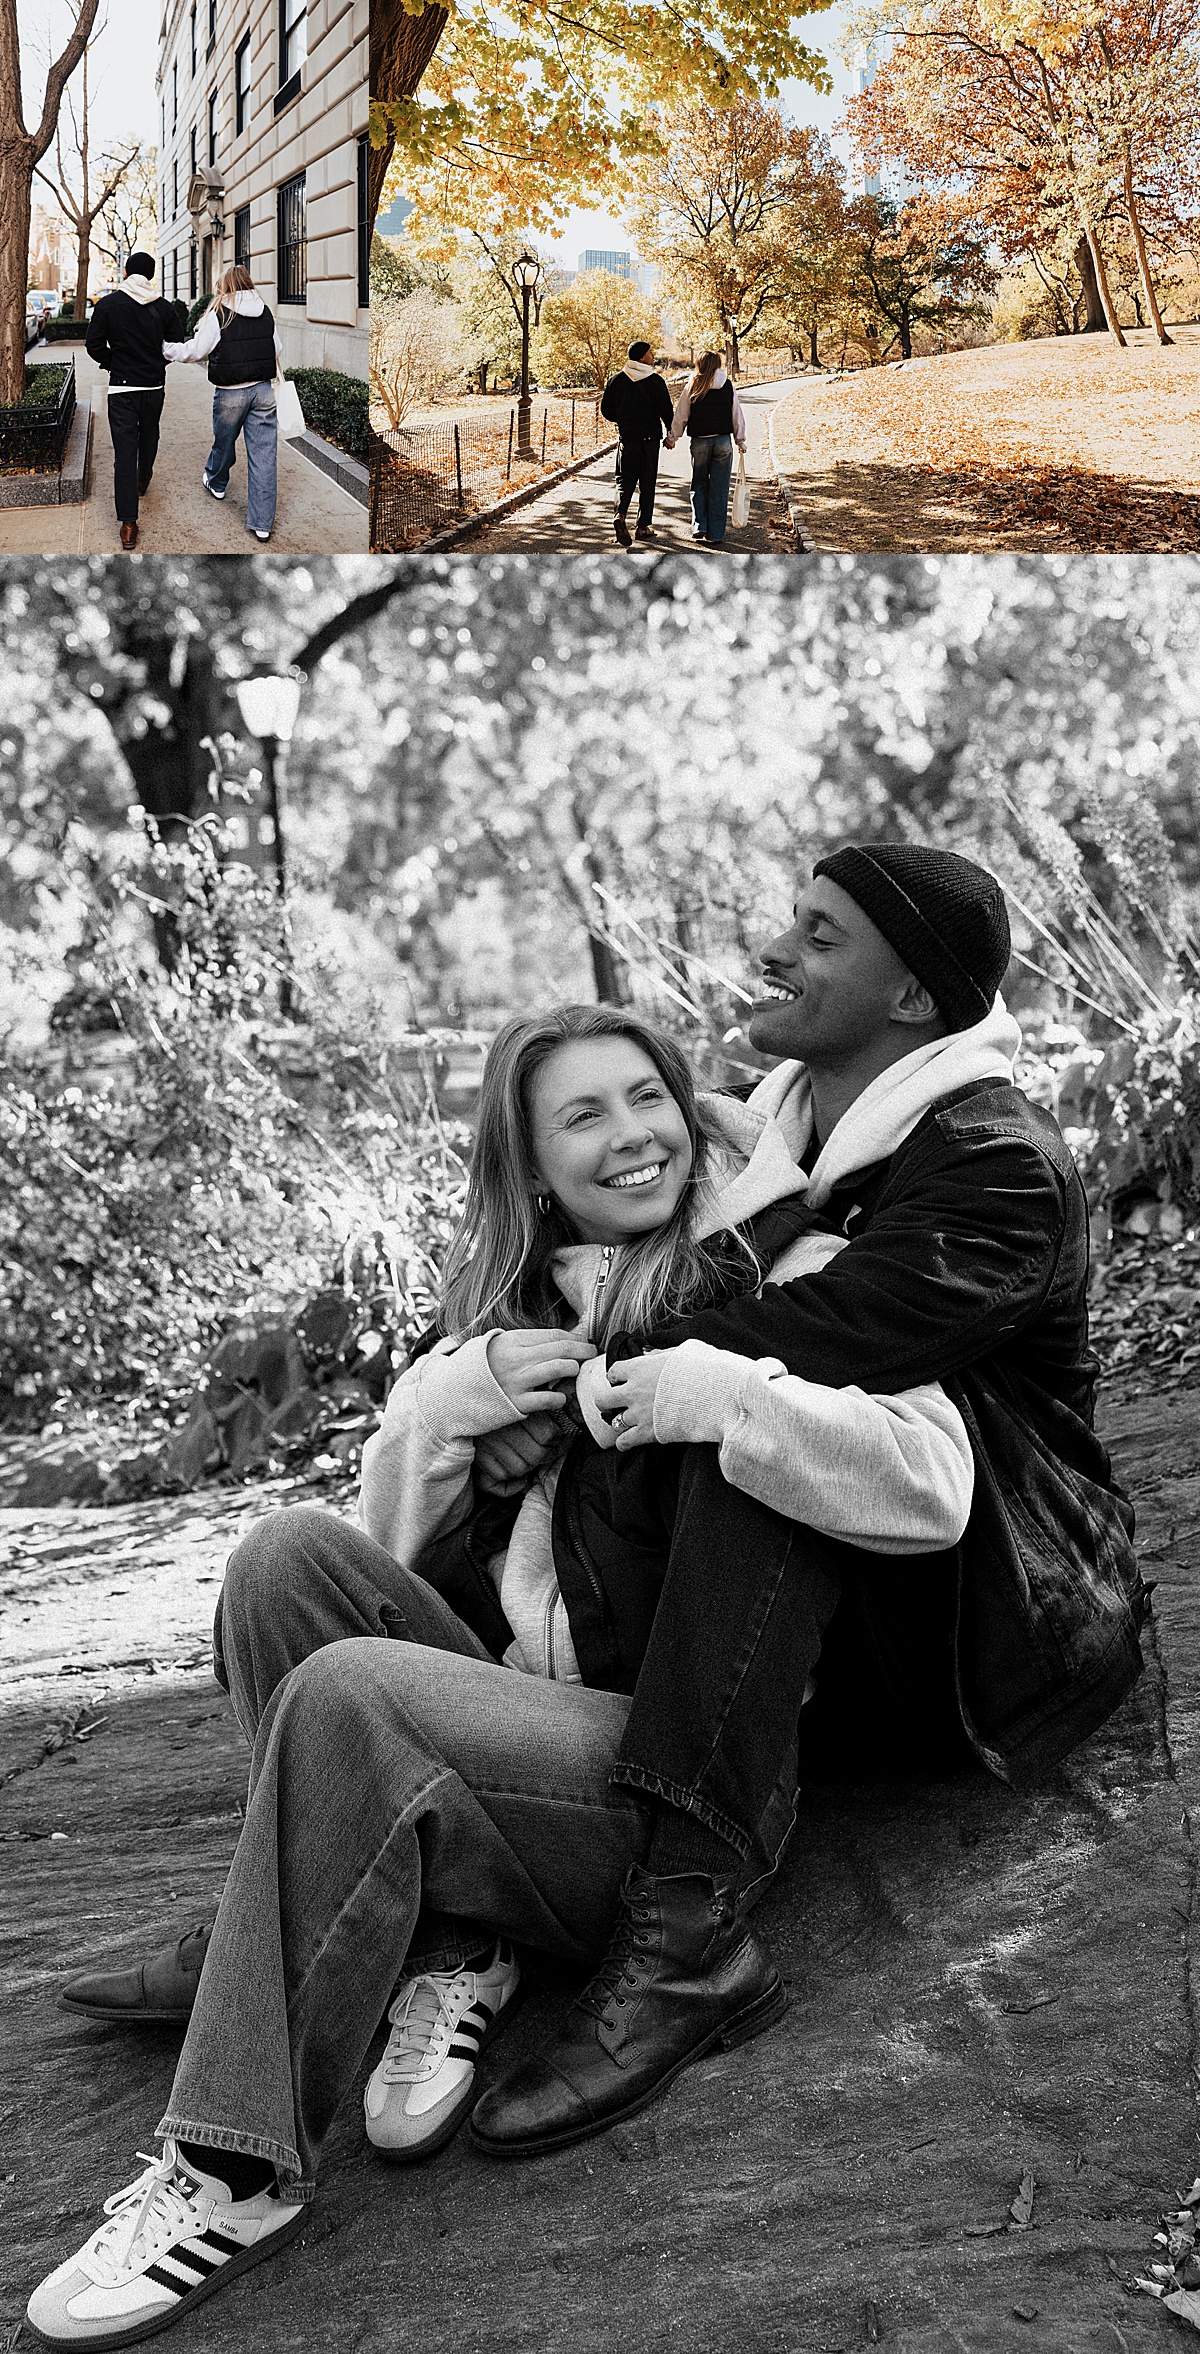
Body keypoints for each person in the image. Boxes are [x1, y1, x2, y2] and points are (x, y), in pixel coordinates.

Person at [30, 1000, 976, 2347]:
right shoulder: (535, 1307)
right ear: (531, 1165)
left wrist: (728, 1397)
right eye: (582, 1116)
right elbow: (400, 1568)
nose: (632, 1135)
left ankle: (229, 2166)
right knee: (282, 1558)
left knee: (359, 1694)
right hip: (522, 1725)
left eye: (646, 1096)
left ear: (690, 1105)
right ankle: (458, 1933)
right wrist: (441, 1402)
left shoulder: (798, 1264)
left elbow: (932, 1486)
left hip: (665, 1788)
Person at [469, 843, 1145, 2158]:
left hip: (994, 1597)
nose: (778, 948)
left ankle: (683, 1928)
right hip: (845, 1605)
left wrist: (629, 1369)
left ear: (906, 999)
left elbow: (827, 1329)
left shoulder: (995, 1156)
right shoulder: (775, 1121)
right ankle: (380, 1838)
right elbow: (605, 1248)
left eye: (821, 935)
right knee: (614, 1438)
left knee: (761, 1427)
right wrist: (508, 1391)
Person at [164, 263, 283, 542]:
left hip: (231, 392)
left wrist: (166, 349)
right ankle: (262, 525)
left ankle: (216, 482)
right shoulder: (264, 311)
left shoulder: (219, 313)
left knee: (223, 442)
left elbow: (196, 350)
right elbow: (277, 349)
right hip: (263, 392)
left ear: (225, 286)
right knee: (264, 457)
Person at [84, 253, 181, 551]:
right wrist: (155, 364)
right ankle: (144, 477)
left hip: (121, 389)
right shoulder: (164, 307)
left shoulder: (109, 305)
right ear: (151, 274)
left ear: (126, 272)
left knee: (124, 452)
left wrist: (114, 363)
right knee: (150, 434)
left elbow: (93, 345)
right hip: (153, 385)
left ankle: (128, 523)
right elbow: (175, 346)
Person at [665, 350, 748, 546]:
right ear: (718, 365)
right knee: (720, 489)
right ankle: (715, 534)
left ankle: (699, 526)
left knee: (699, 483)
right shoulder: (727, 385)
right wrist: (741, 440)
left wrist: (672, 438)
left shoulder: (693, 384)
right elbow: (736, 414)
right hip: (723, 442)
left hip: (700, 441)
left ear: (700, 364)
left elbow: (681, 415)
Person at [599, 340, 674, 546]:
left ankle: (620, 515)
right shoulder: (655, 381)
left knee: (624, 481)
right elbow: (667, 411)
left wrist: (623, 419)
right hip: (650, 440)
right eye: (650, 353)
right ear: (642, 357)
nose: (653, 355)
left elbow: (606, 410)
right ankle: (642, 527)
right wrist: (671, 435)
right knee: (647, 482)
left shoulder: (616, 380)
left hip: (628, 439)